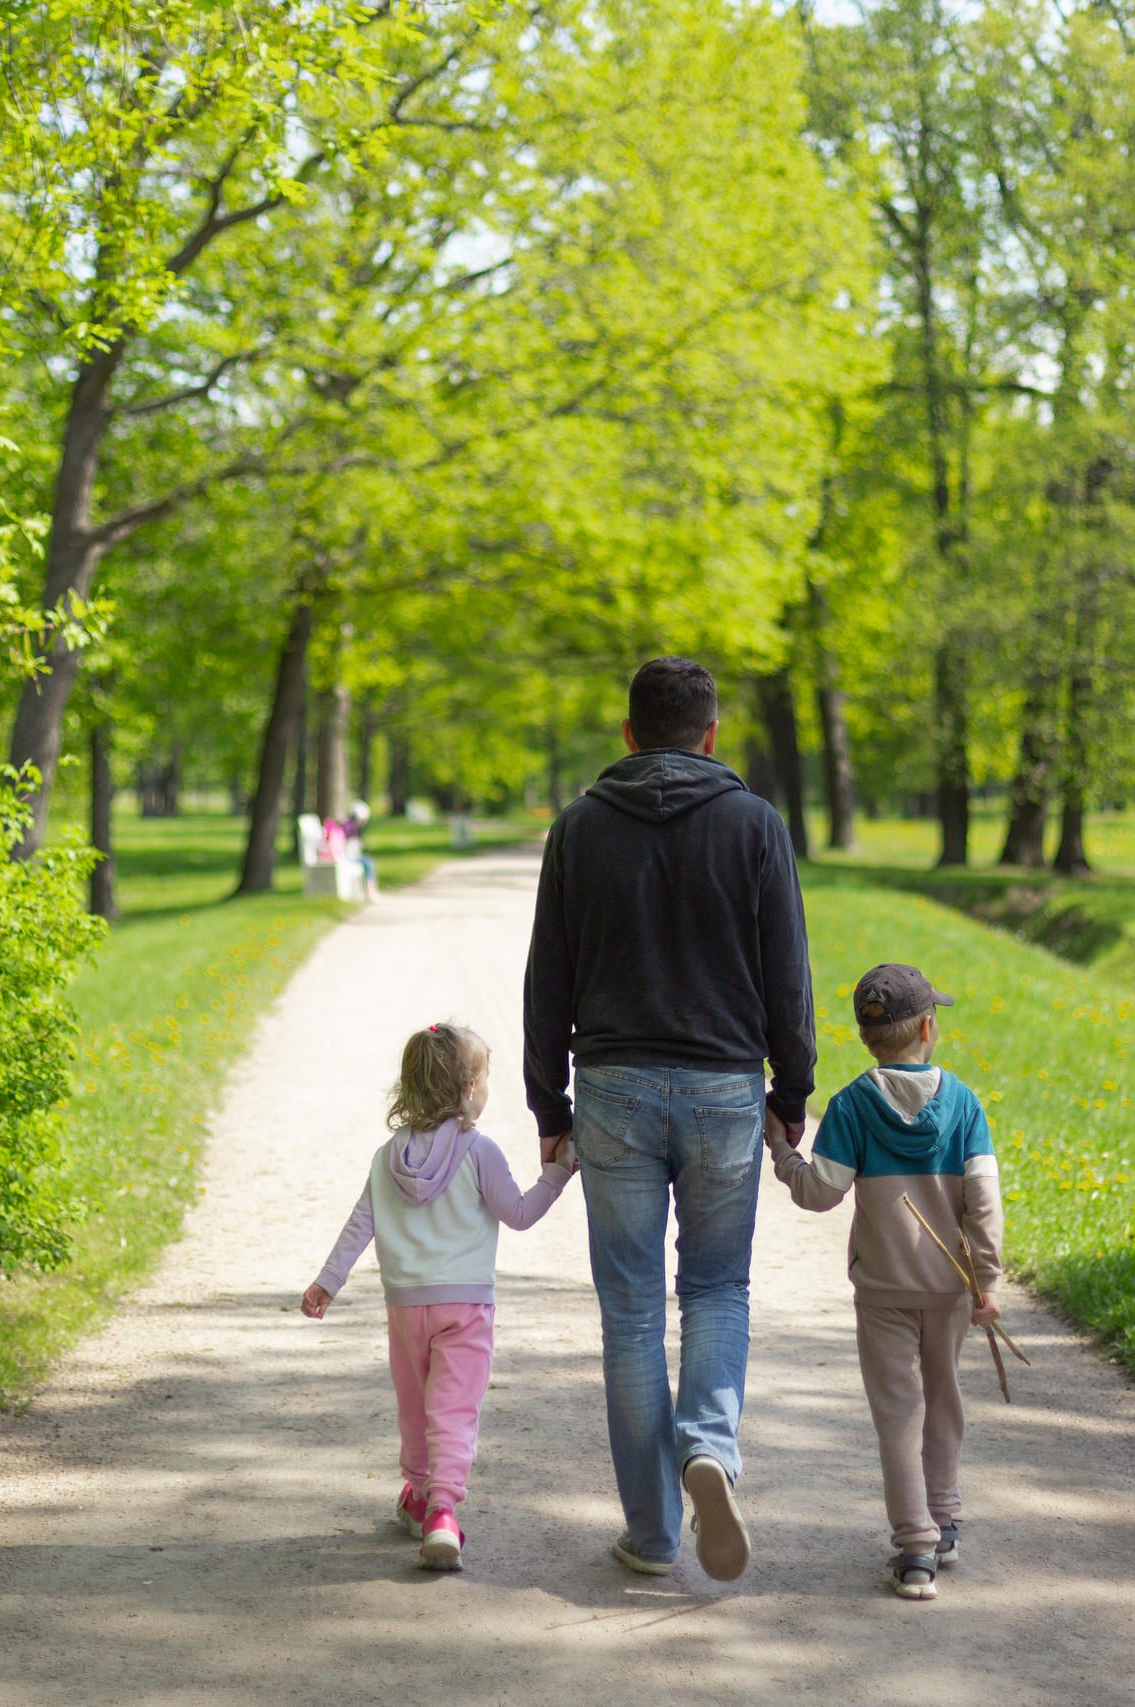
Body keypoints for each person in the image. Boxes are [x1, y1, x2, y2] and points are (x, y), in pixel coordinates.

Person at [523, 655, 815, 1582]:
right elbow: (788, 976)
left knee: (633, 1311)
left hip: (611, 1087)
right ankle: (710, 1452)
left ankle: (651, 1532)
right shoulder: (756, 826)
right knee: (718, 1289)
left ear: (629, 734)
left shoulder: (577, 829)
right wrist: (791, 1092)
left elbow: (547, 980)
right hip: (727, 1087)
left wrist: (548, 1104)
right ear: (712, 733)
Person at [765, 964, 1003, 1601]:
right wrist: (986, 1280)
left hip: (883, 1294)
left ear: (867, 1037)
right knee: (944, 1401)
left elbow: (819, 1193)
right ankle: (943, 1517)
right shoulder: (965, 1105)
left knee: (900, 1414)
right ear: (928, 1026)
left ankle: (916, 1550)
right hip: (950, 1291)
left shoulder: (850, 1107)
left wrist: (782, 1154)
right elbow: (983, 1199)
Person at [304, 1023, 575, 1570]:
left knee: (414, 1404)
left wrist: (326, 1282)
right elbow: (519, 1215)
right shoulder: (481, 1151)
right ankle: (443, 1512)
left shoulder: (386, 1159)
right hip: (465, 1307)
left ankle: (419, 1493)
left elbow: (360, 1225)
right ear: (470, 1087)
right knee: (452, 1409)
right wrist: (559, 1173)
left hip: (405, 1306)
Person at [341, 798, 380, 900]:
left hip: (351, 855)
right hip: (348, 856)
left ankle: (369, 891)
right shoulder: (349, 828)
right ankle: (371, 891)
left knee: (369, 862)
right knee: (369, 863)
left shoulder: (352, 827)